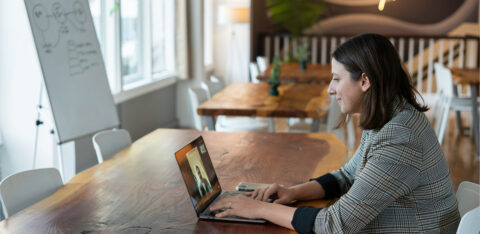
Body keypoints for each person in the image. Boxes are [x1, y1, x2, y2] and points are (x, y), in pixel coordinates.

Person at [210, 33, 460, 233]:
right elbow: (347, 176)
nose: (330, 89)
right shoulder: (390, 116)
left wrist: (258, 210)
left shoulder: (401, 136)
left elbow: (334, 225)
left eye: (337, 79)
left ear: (364, 81)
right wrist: (292, 192)